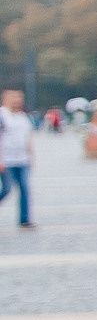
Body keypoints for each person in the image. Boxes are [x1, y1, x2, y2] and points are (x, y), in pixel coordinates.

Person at [0, 90, 35, 229]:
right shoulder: (2, 115)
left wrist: (31, 156)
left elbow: (28, 137)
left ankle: (24, 219)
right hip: (6, 159)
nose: (17, 101)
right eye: (13, 98)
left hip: (22, 159)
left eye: (19, 98)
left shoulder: (24, 116)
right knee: (7, 189)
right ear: (5, 100)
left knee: (25, 189)